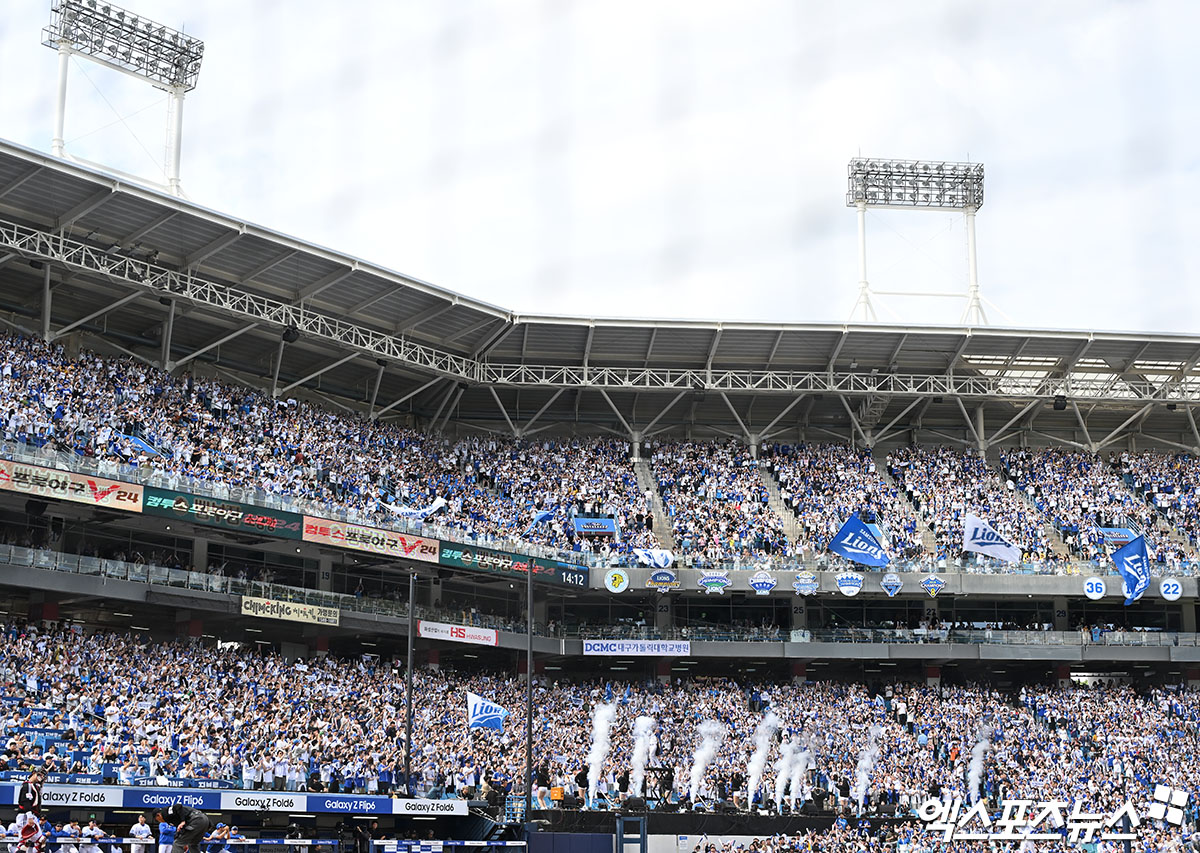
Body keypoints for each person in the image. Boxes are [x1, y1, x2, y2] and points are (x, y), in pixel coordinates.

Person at [15, 769, 45, 853]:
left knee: (41, 841)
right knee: (25, 842)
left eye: (43, 776)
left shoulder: (35, 786)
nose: (41, 777)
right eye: (40, 775)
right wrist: (29, 817)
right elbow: (26, 801)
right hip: (25, 815)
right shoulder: (27, 785)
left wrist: (42, 784)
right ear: (34, 773)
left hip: (33, 816)